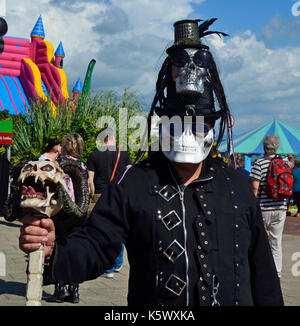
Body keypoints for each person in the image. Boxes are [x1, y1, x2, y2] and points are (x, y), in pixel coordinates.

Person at [19, 19, 283, 306]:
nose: (187, 132)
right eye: (179, 122)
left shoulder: (237, 187)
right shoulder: (136, 184)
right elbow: (97, 245)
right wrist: (53, 249)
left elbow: (263, 274)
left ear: (211, 125)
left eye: (197, 124)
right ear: (163, 123)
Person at [46, 132, 89, 303]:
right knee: (75, 250)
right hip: (79, 213)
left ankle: (60, 287)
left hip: (62, 212)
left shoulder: (58, 164)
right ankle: (75, 290)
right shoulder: (83, 166)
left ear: (64, 147)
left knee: (59, 249)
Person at [87, 127, 132, 278]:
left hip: (99, 194)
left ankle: (106, 265)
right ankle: (117, 263)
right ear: (112, 137)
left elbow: (90, 181)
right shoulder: (123, 153)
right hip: (118, 195)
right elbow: (129, 173)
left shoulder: (94, 154)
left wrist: (91, 195)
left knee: (100, 229)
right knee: (118, 228)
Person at [250, 135, 287, 278]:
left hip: (264, 208)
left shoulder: (259, 163)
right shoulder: (284, 162)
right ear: (277, 147)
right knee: (276, 242)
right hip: (281, 207)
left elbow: (254, 187)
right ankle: (277, 273)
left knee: (260, 240)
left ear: (264, 147)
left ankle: (262, 272)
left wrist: (253, 207)